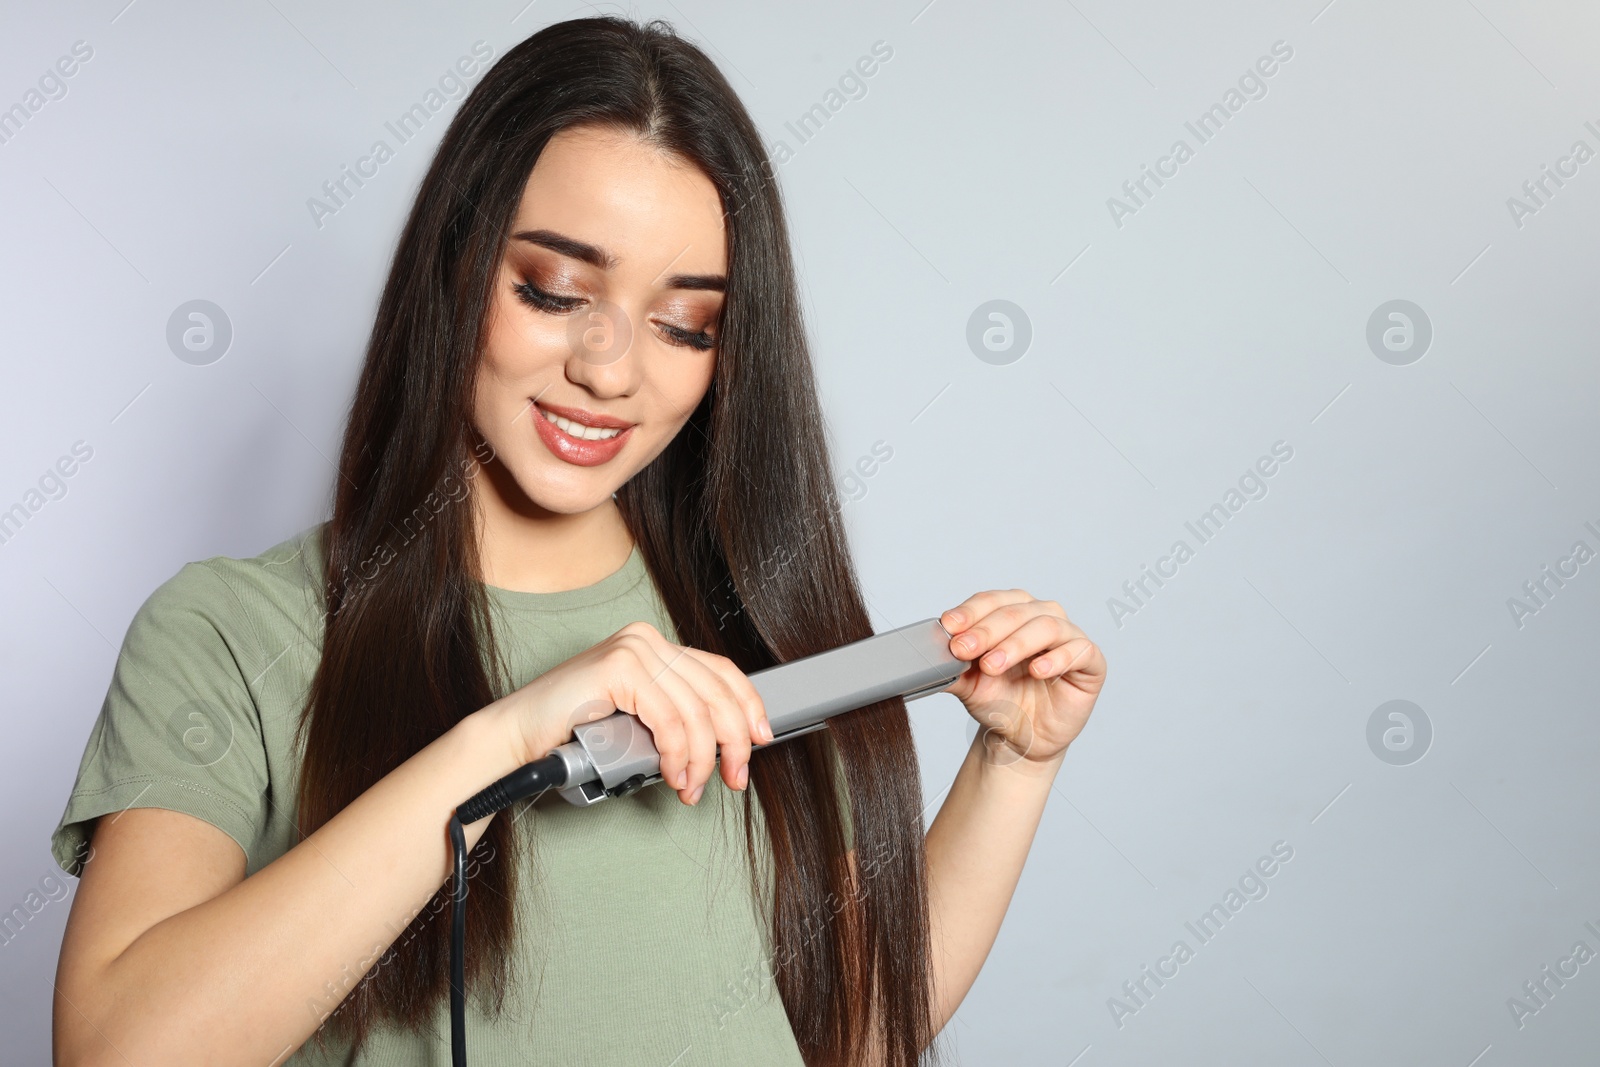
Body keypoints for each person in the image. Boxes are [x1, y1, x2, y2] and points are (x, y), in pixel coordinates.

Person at [49, 15, 1106, 1067]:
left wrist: (1014, 764)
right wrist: (504, 742)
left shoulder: (750, 622)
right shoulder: (234, 631)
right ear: (456, 267)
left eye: (683, 322)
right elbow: (119, 1051)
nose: (610, 368)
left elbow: (849, 1031)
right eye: (556, 291)